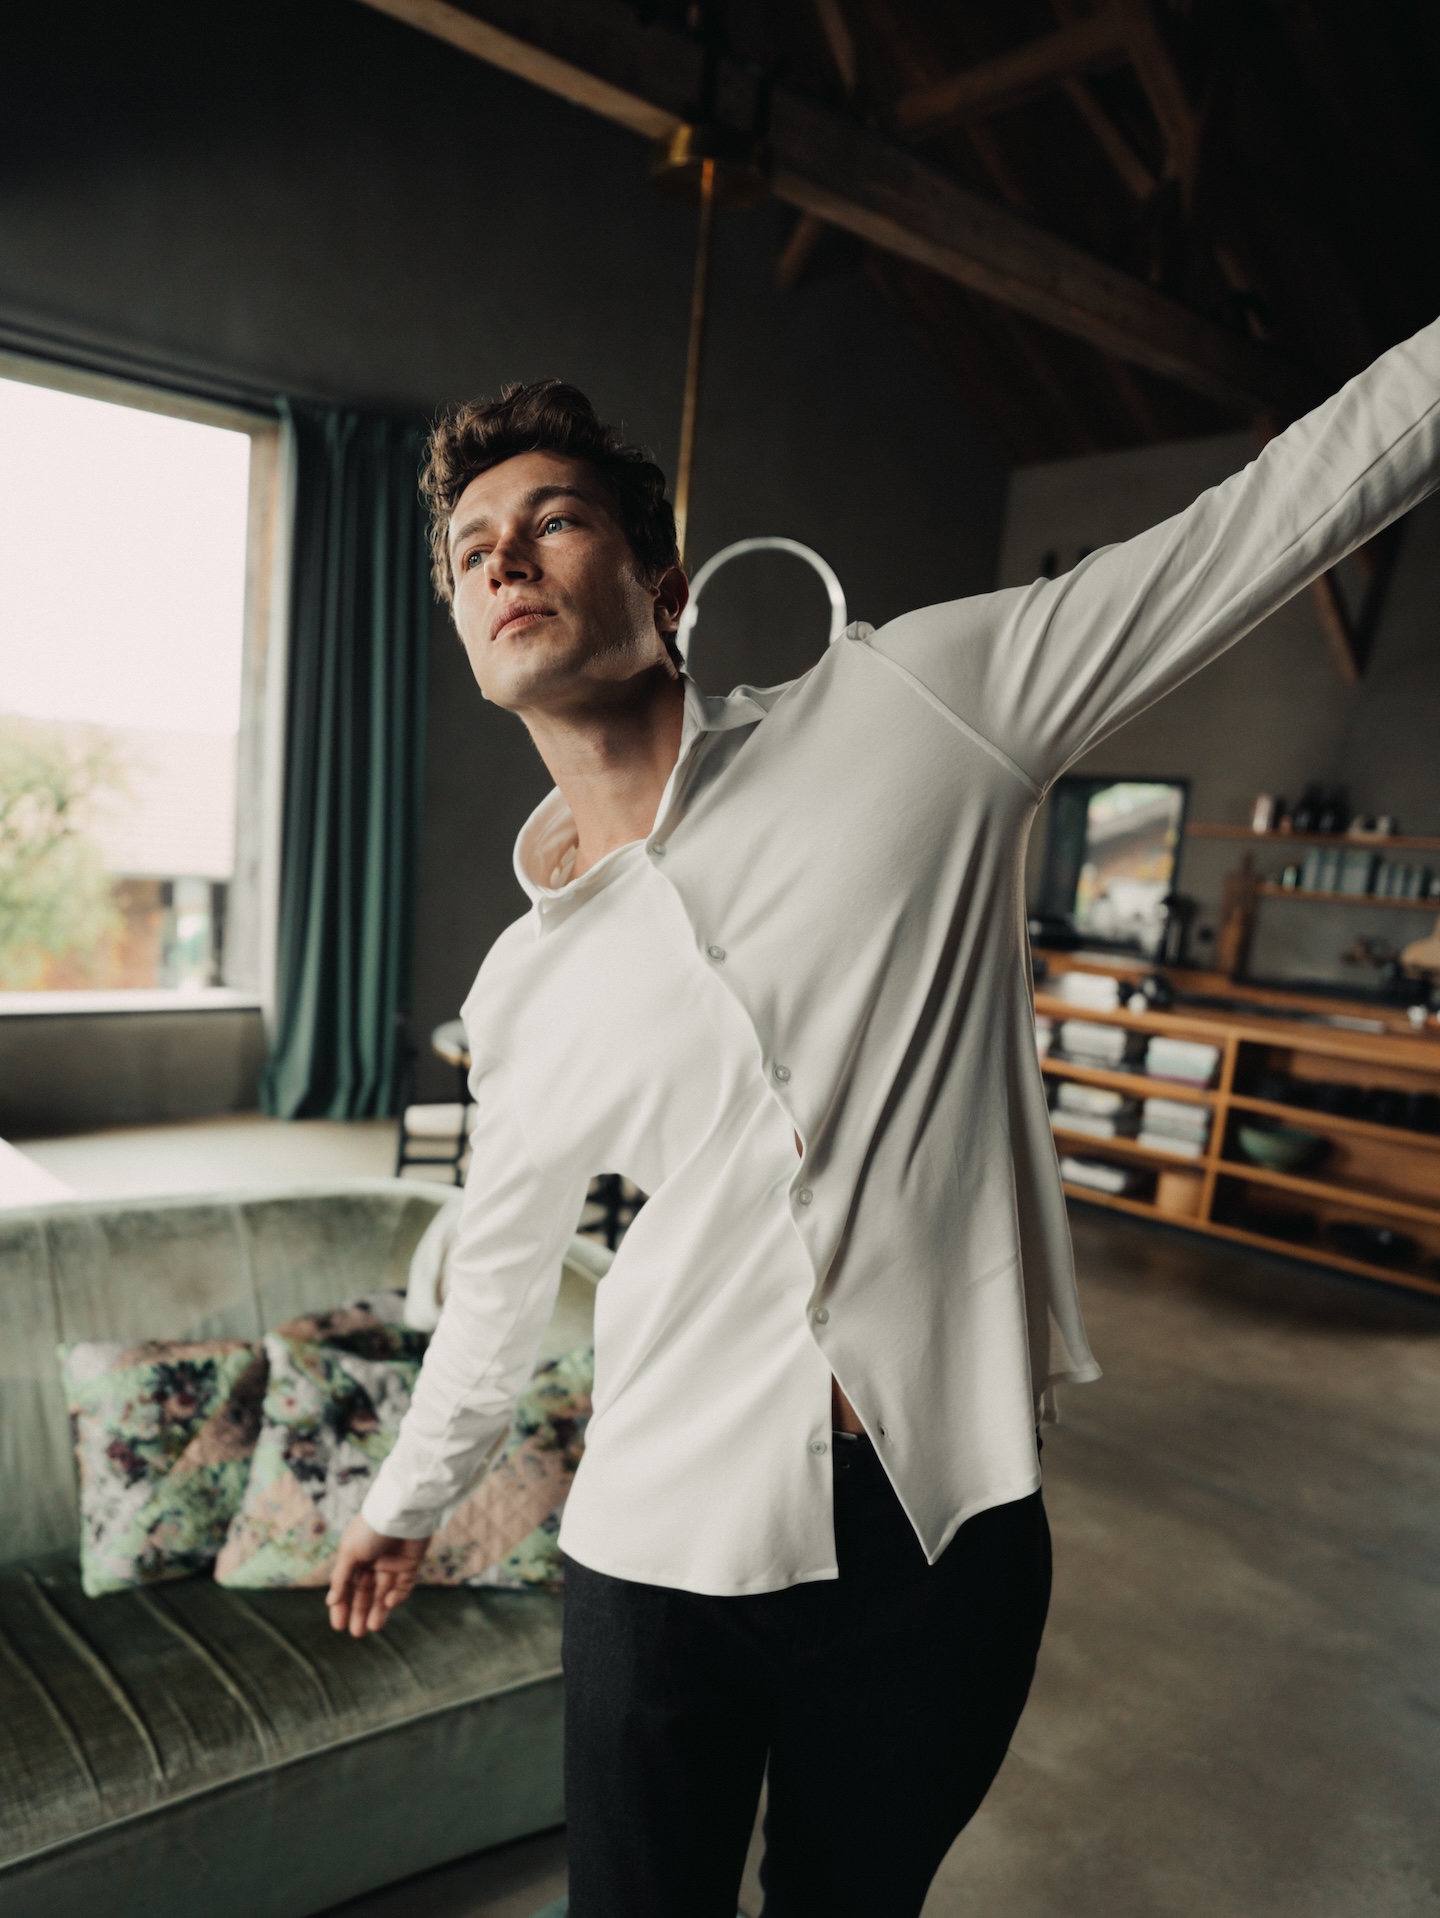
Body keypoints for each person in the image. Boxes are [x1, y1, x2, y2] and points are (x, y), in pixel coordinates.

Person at [327, 319, 1440, 1917]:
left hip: (943, 1535)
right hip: (656, 1544)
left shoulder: (921, 711)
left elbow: (1270, 518)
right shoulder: (522, 989)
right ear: (462, 620)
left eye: (554, 517)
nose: (507, 557)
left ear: (662, 578)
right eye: (472, 549)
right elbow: (495, 1291)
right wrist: (400, 1502)